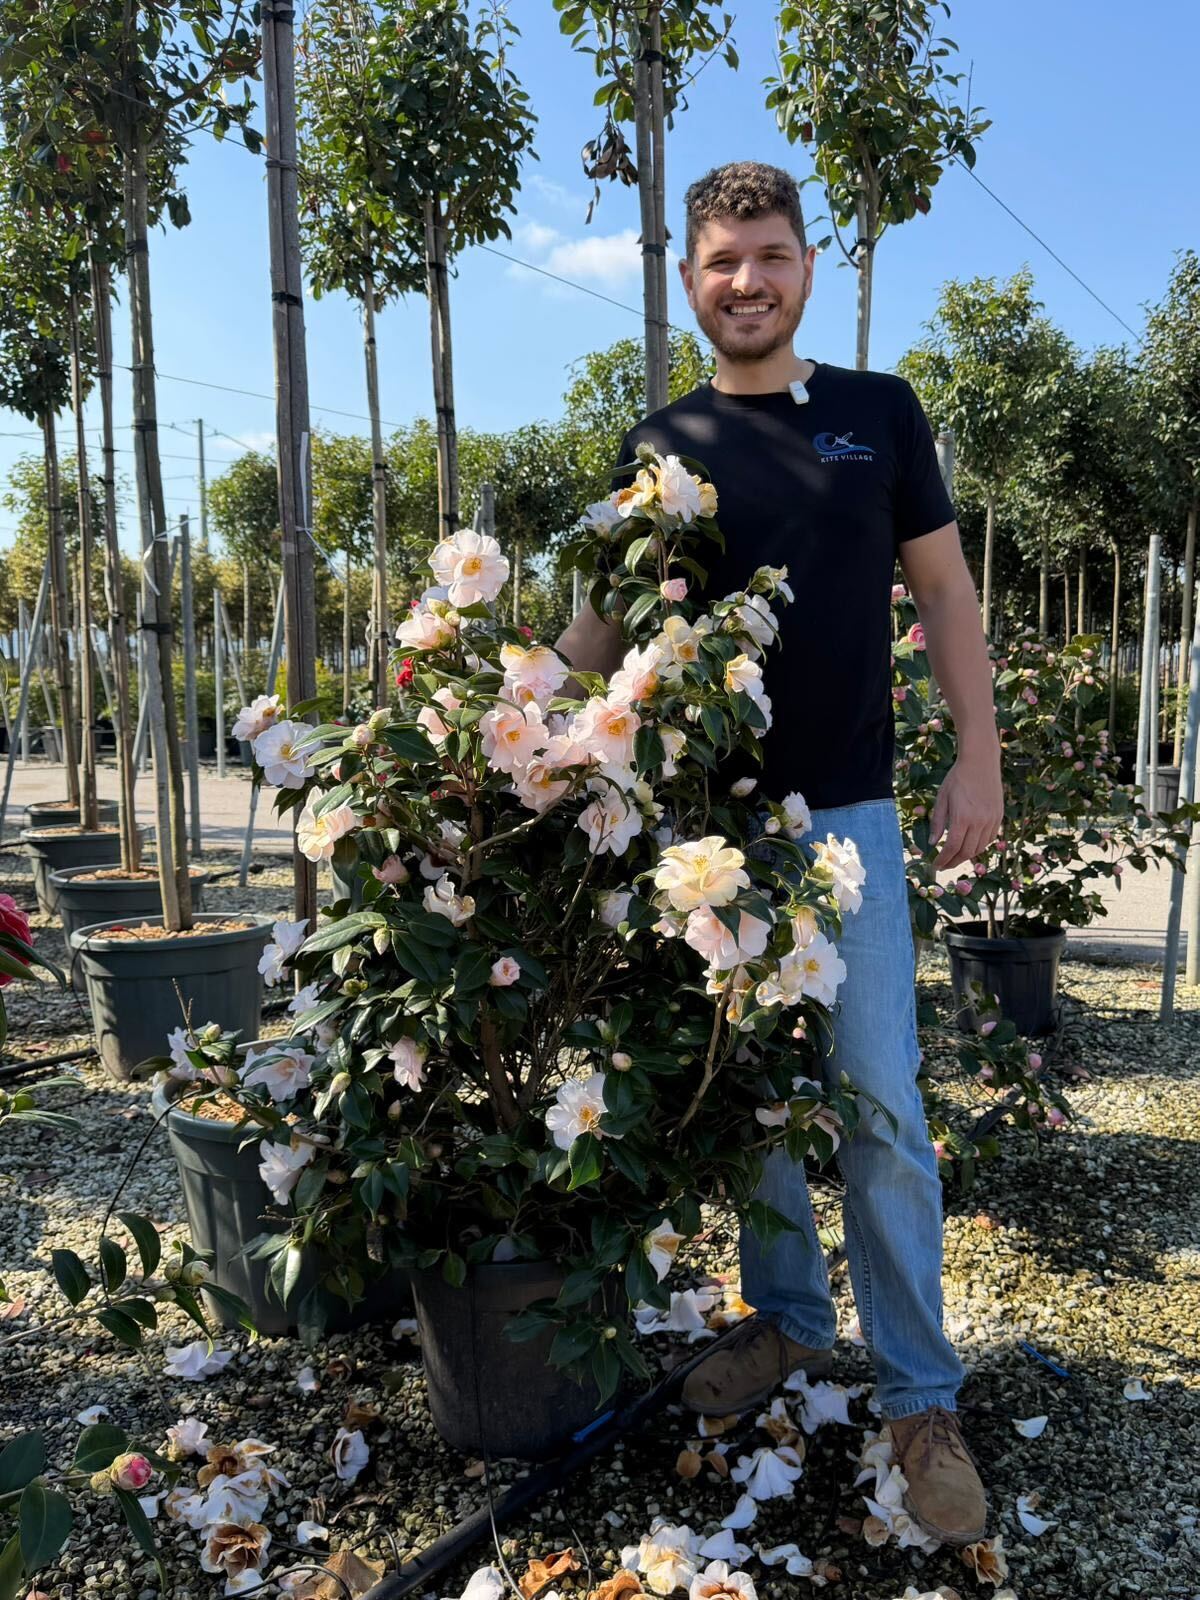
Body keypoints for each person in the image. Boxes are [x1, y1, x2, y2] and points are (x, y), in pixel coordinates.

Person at [554, 161, 1003, 1547]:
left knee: (877, 1109)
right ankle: (792, 1326)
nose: (744, 280)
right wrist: (498, 721)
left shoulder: (879, 416)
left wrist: (978, 755)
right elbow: (600, 633)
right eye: (719, 262)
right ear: (688, 283)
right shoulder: (661, 440)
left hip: (853, 824)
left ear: (805, 267)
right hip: (711, 836)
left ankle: (920, 1394)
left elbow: (941, 590)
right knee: (747, 1099)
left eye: (768, 255)